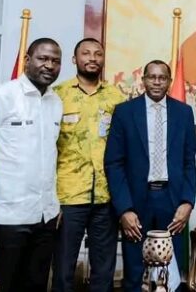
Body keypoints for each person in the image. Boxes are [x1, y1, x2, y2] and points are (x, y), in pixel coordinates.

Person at [105, 60, 196, 292]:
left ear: (169, 81)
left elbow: (191, 162)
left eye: (162, 78)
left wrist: (187, 202)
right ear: (144, 80)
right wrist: (124, 209)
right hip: (137, 202)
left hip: (172, 200)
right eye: (152, 77)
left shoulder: (184, 113)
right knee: (135, 273)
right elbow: (114, 163)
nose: (157, 82)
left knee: (171, 272)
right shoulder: (125, 112)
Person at [0, 38, 63, 292]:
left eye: (55, 61)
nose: (49, 65)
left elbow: (50, 155)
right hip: (8, 218)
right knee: (4, 285)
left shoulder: (56, 103)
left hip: (46, 216)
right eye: (43, 58)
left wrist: (54, 204)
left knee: (36, 285)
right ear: (27, 60)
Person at [53, 38, 125, 292]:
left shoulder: (116, 97)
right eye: (86, 53)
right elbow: (47, 147)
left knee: (103, 270)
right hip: (68, 195)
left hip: (106, 196)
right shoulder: (58, 95)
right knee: (63, 267)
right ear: (75, 59)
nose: (92, 58)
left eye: (98, 54)